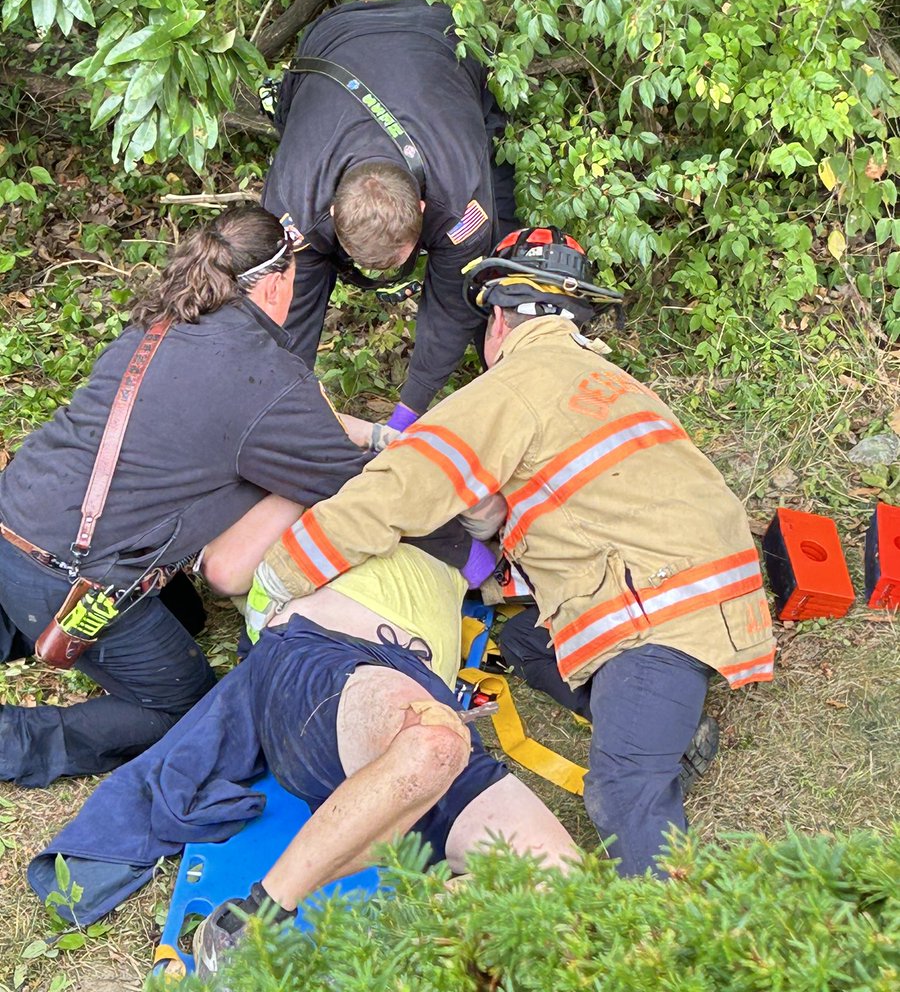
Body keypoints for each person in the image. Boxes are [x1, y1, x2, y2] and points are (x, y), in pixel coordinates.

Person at [251, 226, 777, 878]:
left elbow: (394, 493)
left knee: (622, 793)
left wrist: (283, 572)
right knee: (527, 639)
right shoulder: (604, 380)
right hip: (706, 586)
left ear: (497, 320)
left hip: (657, 608)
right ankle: (664, 726)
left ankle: (670, 927)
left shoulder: (512, 387)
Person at [0, 206, 469, 787]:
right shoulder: (265, 377)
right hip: (71, 573)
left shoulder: (158, 325)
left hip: (17, 514)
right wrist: (464, 546)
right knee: (183, 710)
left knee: (185, 614)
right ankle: (16, 743)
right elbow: (360, 489)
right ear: (275, 284)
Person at [190, 542, 578, 981]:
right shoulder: (342, 505)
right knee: (435, 745)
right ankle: (248, 919)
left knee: (564, 891)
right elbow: (224, 567)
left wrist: (475, 547)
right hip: (328, 648)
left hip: (419, 698)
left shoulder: (472, 536)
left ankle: (373, 966)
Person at [261, 0, 519, 431]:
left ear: (423, 208)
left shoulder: (459, 200)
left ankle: (504, 373)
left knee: (493, 254)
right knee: (294, 279)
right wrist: (289, 407)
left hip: (442, 36)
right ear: (331, 210)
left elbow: (450, 306)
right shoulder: (294, 201)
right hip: (335, 36)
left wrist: (407, 412)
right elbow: (290, 309)